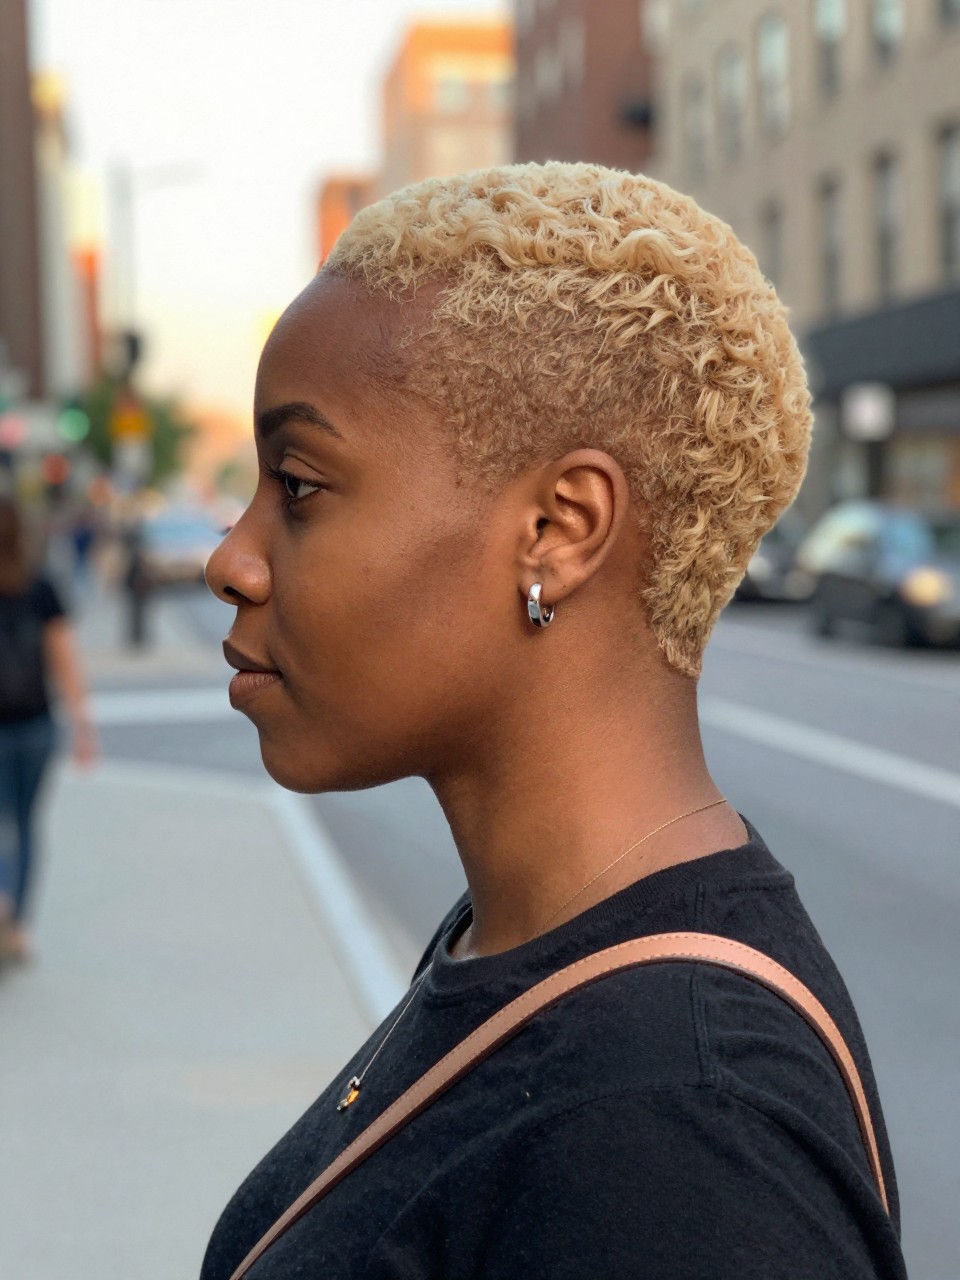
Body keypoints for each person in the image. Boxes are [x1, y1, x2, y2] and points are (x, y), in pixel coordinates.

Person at [202, 163, 907, 1278]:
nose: (230, 560)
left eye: (298, 485)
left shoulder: (682, 1133)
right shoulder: (518, 938)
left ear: (559, 528)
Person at [0, 494, 98, 962]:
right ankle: (16, 923)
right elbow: (64, 661)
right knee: (25, 823)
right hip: (35, 723)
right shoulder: (41, 587)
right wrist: (83, 725)